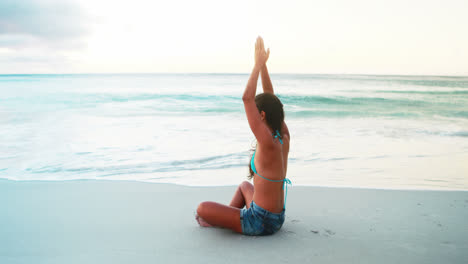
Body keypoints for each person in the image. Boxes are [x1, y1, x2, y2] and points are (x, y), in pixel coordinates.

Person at [196, 36, 291, 236]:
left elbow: (246, 98)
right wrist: (264, 66)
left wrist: (256, 65)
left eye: (257, 113)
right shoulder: (283, 135)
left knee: (202, 208)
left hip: (259, 222)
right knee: (244, 186)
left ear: (262, 115)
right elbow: (270, 96)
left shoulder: (266, 141)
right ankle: (229, 218)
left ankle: (227, 220)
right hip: (277, 218)